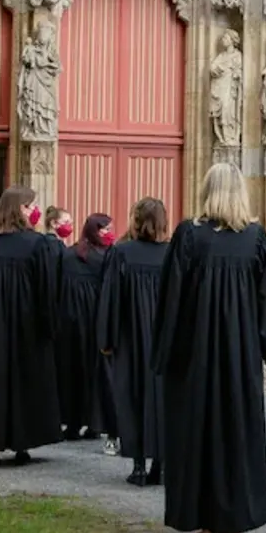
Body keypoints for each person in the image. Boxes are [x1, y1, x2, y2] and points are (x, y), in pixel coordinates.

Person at [152, 164, 266, 533]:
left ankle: (204, 521)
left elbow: (171, 297)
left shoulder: (189, 235)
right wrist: (265, 350)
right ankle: (232, 522)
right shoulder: (256, 239)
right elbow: (265, 303)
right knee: (235, 430)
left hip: (196, 354)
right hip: (239, 356)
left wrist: (164, 352)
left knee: (198, 431)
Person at [0, 185, 62, 467]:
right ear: (18, 208)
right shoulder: (37, 243)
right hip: (25, 326)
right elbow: (46, 289)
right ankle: (21, 443)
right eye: (29, 206)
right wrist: (49, 324)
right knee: (23, 381)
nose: (33, 212)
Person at [98, 197, 169, 485]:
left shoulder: (122, 252)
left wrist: (107, 338)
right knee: (162, 400)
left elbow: (110, 299)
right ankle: (159, 465)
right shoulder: (172, 253)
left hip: (131, 337)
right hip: (164, 340)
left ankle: (139, 465)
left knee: (133, 397)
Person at [57, 213, 114, 440]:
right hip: (95, 320)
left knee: (72, 370)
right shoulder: (107, 256)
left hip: (70, 320)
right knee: (95, 371)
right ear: (95, 230)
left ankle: (72, 421)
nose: (109, 232)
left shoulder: (70, 254)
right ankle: (94, 422)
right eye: (105, 228)